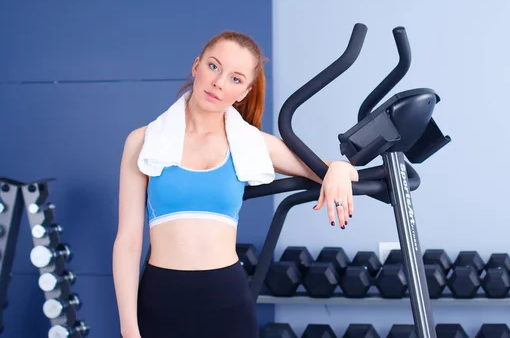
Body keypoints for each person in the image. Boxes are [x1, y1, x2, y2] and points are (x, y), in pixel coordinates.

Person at [112, 30, 359, 338]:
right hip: (161, 297)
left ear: (244, 92)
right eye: (214, 67)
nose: (219, 83)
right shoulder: (143, 142)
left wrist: (337, 169)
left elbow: (336, 171)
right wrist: (128, 327)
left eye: (236, 78)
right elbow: (128, 240)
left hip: (226, 299)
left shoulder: (251, 144)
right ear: (196, 66)